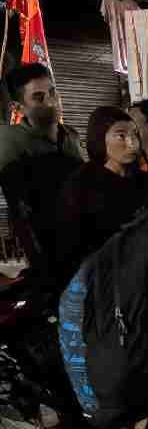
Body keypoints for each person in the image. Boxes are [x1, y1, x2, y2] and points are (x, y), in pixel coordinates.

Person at [54, 106, 148, 429]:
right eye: (120, 135)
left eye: (133, 134)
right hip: (100, 296)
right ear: (100, 140)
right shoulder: (81, 185)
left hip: (144, 290)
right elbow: (68, 246)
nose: (130, 143)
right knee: (112, 365)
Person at [0, 63, 83, 273]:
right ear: (18, 108)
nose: (51, 101)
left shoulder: (71, 136)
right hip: (48, 254)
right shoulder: (11, 140)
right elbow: (21, 206)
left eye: (53, 92)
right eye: (39, 97)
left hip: (85, 243)